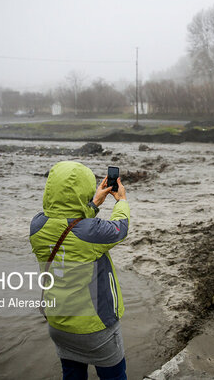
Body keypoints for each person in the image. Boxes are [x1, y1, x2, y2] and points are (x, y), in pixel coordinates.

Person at [29, 161, 129, 380]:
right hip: (96, 328)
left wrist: (93, 205)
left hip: (58, 324)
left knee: (72, 376)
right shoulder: (91, 232)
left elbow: (70, 222)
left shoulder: (37, 225)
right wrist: (120, 200)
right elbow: (120, 228)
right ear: (84, 189)